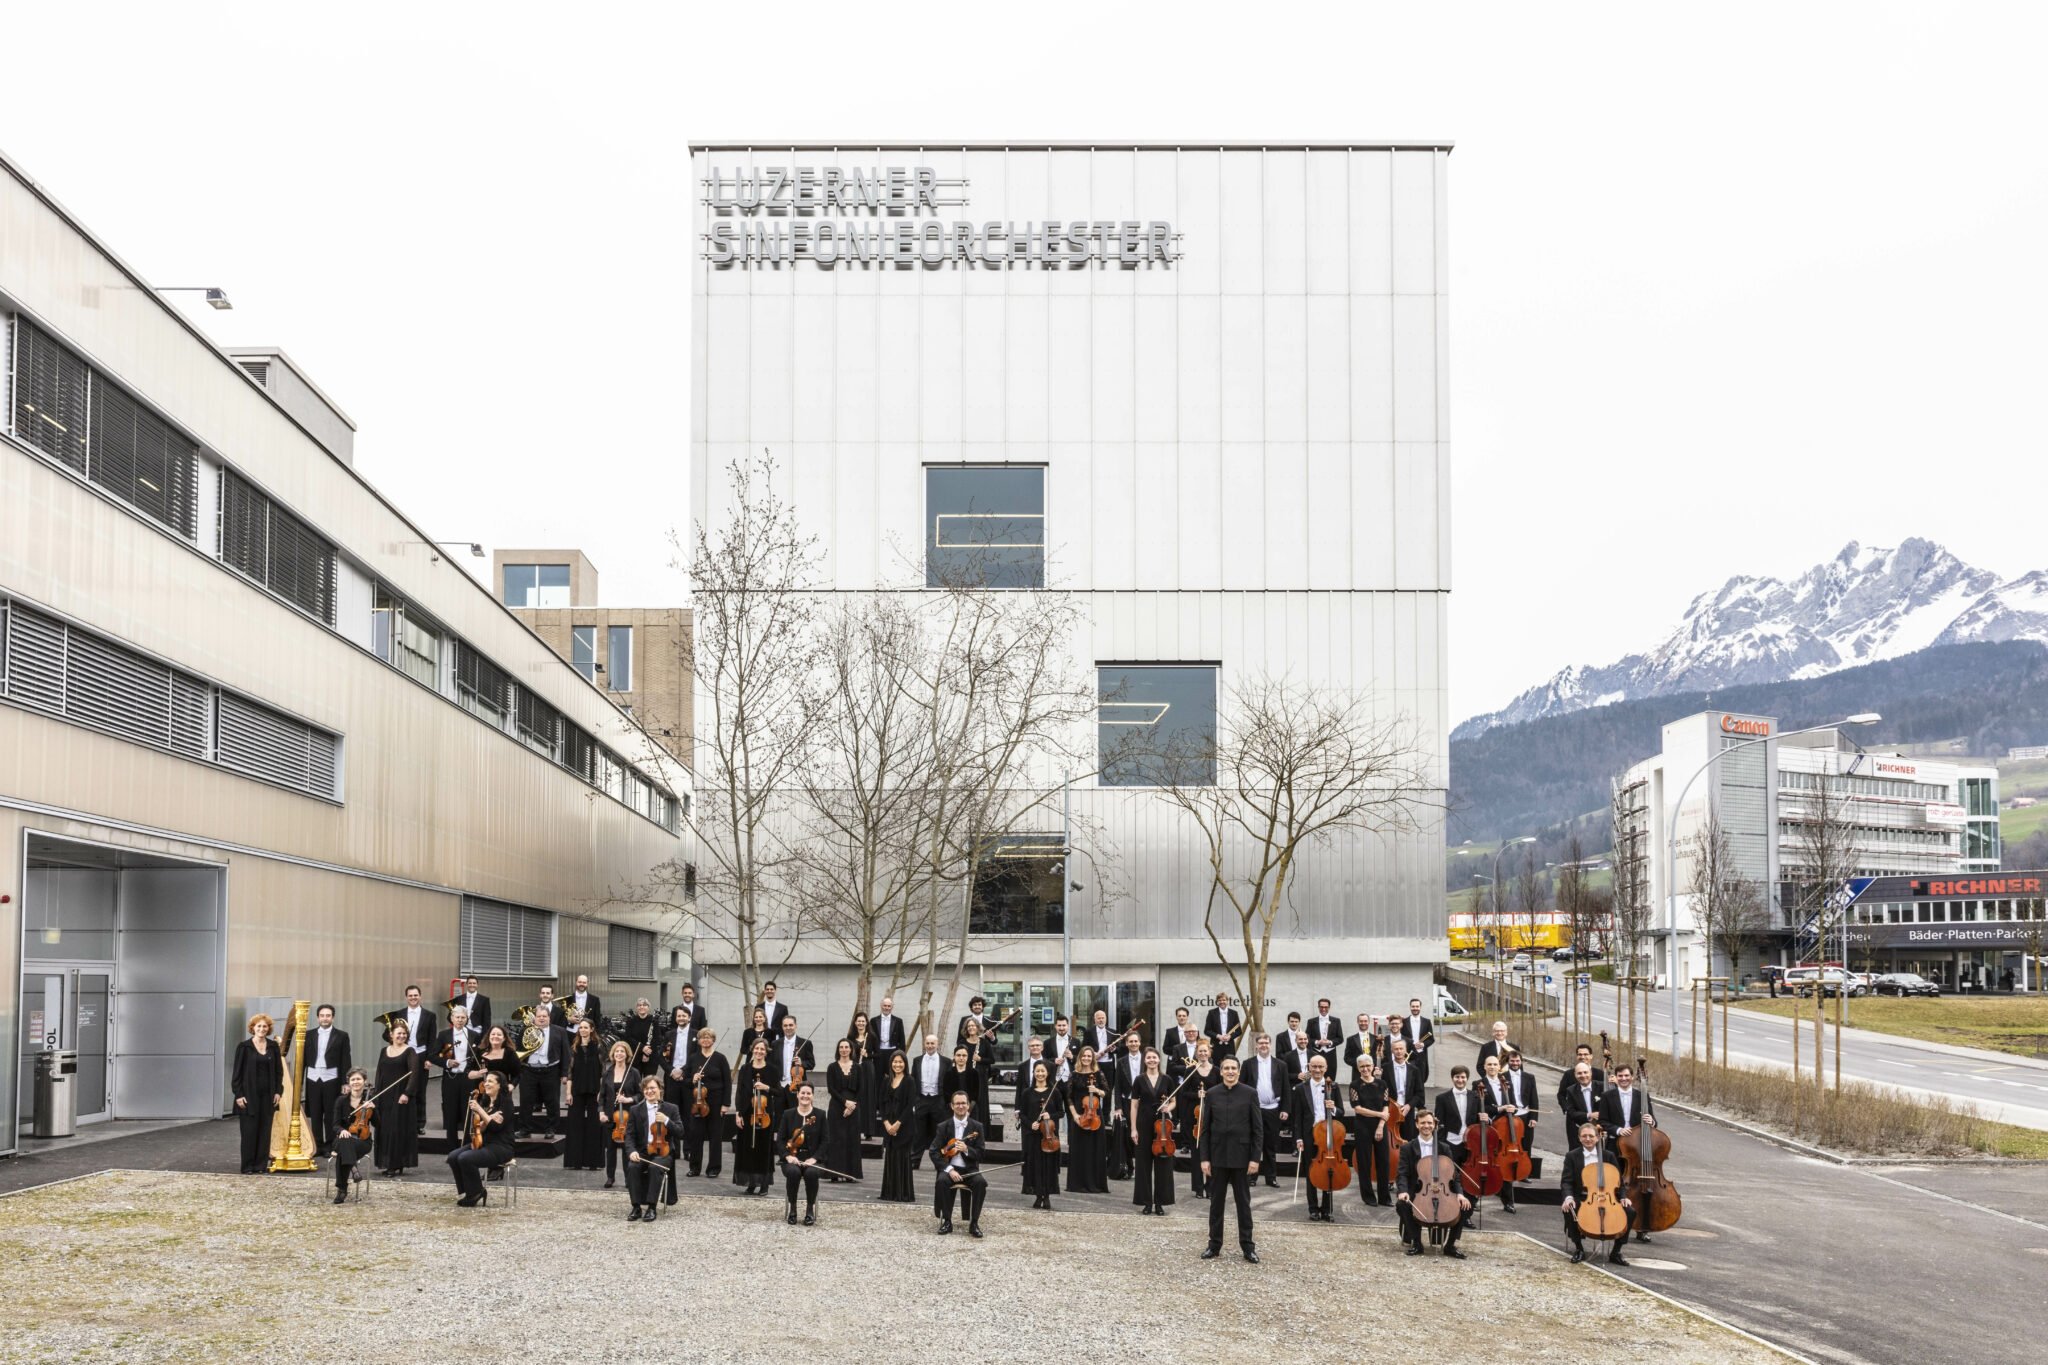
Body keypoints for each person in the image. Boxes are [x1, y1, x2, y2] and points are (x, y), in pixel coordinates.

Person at [1196, 1055, 1261, 1263]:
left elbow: (1257, 1130)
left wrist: (1255, 1158)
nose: (1230, 1071)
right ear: (1221, 1071)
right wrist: (1204, 1158)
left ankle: (1248, 1247)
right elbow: (1204, 1130)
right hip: (1217, 1158)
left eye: (1234, 1068)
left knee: (1244, 1204)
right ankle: (1214, 1245)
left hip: (1242, 1158)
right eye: (1226, 1068)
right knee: (1216, 1204)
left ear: (1239, 1071)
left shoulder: (1250, 1094)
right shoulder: (1212, 1094)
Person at [1396, 1109, 1469, 1257]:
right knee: (1402, 1204)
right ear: (1417, 1124)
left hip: (1442, 1191)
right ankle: (1417, 1243)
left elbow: (1454, 1176)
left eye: (1430, 1123)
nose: (1426, 1126)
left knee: (1465, 1206)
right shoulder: (1407, 1148)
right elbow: (1402, 1174)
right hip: (1417, 1190)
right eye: (1422, 1123)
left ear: (1434, 1125)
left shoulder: (1444, 1148)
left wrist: (1460, 1194)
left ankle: (1450, 1246)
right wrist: (1403, 1191)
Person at [1599, 1063, 1659, 1244]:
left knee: (1640, 1187)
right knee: (1614, 1185)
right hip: (1615, 1145)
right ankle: (1612, 1223)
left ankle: (1641, 1227)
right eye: (1620, 1076)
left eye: (1626, 1076)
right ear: (1616, 1078)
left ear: (1632, 1077)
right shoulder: (1607, 1096)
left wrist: (1652, 1121)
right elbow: (1602, 1121)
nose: (1624, 1079)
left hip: (1637, 1149)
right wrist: (1617, 1130)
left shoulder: (1642, 1095)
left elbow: (1653, 1122)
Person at [1560, 1120, 1632, 1265]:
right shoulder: (1572, 1156)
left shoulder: (1608, 1156)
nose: (1588, 1139)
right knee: (1570, 1209)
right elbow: (1566, 1181)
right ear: (1579, 1138)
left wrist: (1624, 1197)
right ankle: (1579, 1248)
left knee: (1630, 1211)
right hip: (1583, 1197)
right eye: (1584, 1136)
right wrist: (1568, 1198)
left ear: (1597, 1138)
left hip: (1608, 1196)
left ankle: (1616, 1252)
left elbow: (1619, 1182)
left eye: (1591, 1136)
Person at [448, 1071, 514, 1208]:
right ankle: (468, 1191)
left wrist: (480, 1111)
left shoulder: (506, 1102)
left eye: (490, 1081)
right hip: (484, 1142)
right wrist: (488, 1118)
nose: (486, 1084)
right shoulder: (485, 1101)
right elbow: (481, 1128)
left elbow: (496, 1128)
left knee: (465, 1158)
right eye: (486, 1081)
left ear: (499, 1085)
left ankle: (476, 1193)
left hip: (501, 1147)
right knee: (453, 1156)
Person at [231, 1013, 286, 1175]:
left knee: (264, 1131)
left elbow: (278, 1072)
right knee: (249, 1131)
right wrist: (238, 1094)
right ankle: (248, 1166)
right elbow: (237, 1074)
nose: (262, 1029)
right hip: (248, 1096)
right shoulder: (244, 1047)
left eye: (265, 1026)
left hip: (268, 1096)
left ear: (269, 1029)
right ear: (253, 1028)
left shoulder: (273, 1046)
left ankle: (260, 1165)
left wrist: (278, 1091)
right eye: (259, 1026)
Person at [1293, 1055, 1347, 1222]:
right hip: (1309, 1135)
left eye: (1320, 1067)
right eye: (1314, 1067)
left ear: (1326, 1068)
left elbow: (1341, 1112)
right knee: (1311, 1172)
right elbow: (1297, 1117)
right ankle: (1313, 1208)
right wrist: (1298, 1138)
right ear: (1309, 1067)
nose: (1317, 1070)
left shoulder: (1334, 1087)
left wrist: (1334, 1109)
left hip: (1328, 1135)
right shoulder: (1301, 1088)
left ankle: (1327, 1209)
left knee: (1329, 1171)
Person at [467, 1024, 521, 1182]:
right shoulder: (480, 1053)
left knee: (498, 1129)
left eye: (499, 1035)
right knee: (484, 1129)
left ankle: (497, 1166)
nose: (495, 1037)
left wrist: (511, 1085)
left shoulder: (509, 1053)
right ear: (488, 1037)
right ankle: (487, 1162)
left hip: (503, 1096)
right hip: (484, 1094)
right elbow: (468, 1073)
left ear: (504, 1038)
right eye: (493, 1035)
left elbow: (518, 1073)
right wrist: (478, 1073)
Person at [929, 1091, 987, 1237]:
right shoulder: (943, 1126)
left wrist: (967, 1150)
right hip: (950, 1169)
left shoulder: (977, 1127)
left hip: (969, 1169)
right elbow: (934, 1152)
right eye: (957, 1103)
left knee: (981, 1183)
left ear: (968, 1106)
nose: (960, 1106)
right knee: (942, 1181)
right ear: (952, 1106)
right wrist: (949, 1169)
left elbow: (981, 1153)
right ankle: (947, 1221)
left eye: (963, 1103)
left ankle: (974, 1223)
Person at [623, 1074, 680, 1223]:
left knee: (655, 1168)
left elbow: (681, 1131)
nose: (649, 1091)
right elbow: (629, 1135)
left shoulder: (671, 1108)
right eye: (646, 1089)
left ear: (660, 1089)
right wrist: (632, 1151)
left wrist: (667, 1121)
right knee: (632, 1166)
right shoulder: (635, 1110)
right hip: (643, 1151)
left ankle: (651, 1207)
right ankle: (636, 1207)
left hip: (664, 1151)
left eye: (653, 1088)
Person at [1128, 1048, 1177, 1216]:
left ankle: (1160, 1203)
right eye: (1148, 1057)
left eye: (1154, 1057)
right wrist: (1133, 1129)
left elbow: (1174, 1101)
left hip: (1162, 1126)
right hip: (1143, 1124)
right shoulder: (1139, 1080)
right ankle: (1146, 1202)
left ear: (1159, 1060)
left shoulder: (1167, 1079)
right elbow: (1134, 1105)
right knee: (1143, 1164)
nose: (1151, 1060)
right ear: (1145, 1060)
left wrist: (1167, 1107)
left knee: (1163, 1164)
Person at [372, 1019, 422, 1177]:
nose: (401, 1036)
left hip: (401, 1096)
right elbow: (379, 1073)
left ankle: (394, 1164)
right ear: (391, 1035)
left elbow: (414, 1075)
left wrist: (407, 1093)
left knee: (396, 1130)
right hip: (385, 1095)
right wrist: (376, 1095)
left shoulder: (410, 1051)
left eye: (404, 1033)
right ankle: (388, 1162)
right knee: (384, 1129)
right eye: (398, 1033)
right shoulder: (383, 1051)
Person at [681, 1028, 731, 1179]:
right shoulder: (693, 1058)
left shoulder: (720, 1058)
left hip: (716, 1102)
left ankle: (714, 1168)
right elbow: (685, 1081)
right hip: (697, 1102)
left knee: (715, 1136)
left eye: (709, 1037)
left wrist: (726, 1104)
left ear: (713, 1040)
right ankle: (694, 1167)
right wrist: (693, 1079)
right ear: (699, 1040)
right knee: (696, 1135)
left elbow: (727, 1082)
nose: (706, 1040)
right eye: (703, 1037)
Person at [733, 1038, 781, 1195]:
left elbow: (779, 1092)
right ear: (752, 1050)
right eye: (756, 1049)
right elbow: (740, 1092)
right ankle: (751, 1183)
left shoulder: (772, 1070)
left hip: (765, 1115)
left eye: (762, 1049)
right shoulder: (745, 1069)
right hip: (747, 1113)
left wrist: (766, 1087)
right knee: (748, 1148)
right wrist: (738, 1113)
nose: (759, 1052)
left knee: (763, 1148)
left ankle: (764, 1184)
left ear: (766, 1052)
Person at [302, 1005, 350, 1158]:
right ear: (317, 1017)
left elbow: (345, 1059)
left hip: (331, 1078)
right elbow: (302, 1059)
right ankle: (317, 1145)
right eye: (322, 1015)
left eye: (328, 1015)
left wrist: (345, 1082)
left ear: (333, 1017)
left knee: (330, 1113)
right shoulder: (308, 1035)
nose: (325, 1018)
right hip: (312, 1078)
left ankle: (329, 1145)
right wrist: (298, 1081)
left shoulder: (342, 1035)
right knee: (315, 1113)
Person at [1240, 1033, 1288, 1185]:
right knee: (1254, 1143)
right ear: (1256, 1045)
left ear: (1270, 1044)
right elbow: (1242, 1087)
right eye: (1260, 1043)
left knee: (1270, 1144)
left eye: (1266, 1043)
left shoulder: (1281, 1065)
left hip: (1273, 1109)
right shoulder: (1248, 1064)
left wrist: (1285, 1109)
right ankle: (1251, 1177)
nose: (1263, 1046)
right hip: (1254, 1109)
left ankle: (1271, 1177)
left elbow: (1286, 1088)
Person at [778, 1082, 826, 1224]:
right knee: (793, 1173)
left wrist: (814, 1158)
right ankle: (793, 1208)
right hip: (792, 1158)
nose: (805, 1096)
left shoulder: (820, 1115)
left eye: (808, 1093)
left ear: (812, 1096)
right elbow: (780, 1140)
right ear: (797, 1095)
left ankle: (810, 1209)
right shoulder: (788, 1114)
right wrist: (787, 1156)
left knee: (811, 1173)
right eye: (802, 1093)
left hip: (812, 1159)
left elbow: (825, 1141)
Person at [1065, 1046, 1111, 1193]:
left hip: (1095, 1117)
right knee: (1079, 1149)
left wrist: (1096, 1090)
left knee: (1095, 1149)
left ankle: (1096, 1184)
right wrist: (1075, 1115)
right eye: (1084, 1056)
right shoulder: (1074, 1074)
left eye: (1089, 1056)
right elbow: (1069, 1097)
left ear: (1093, 1058)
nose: (1086, 1058)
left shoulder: (1098, 1074)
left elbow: (1107, 1092)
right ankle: (1077, 1184)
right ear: (1080, 1057)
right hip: (1079, 1115)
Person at [520, 1004, 568, 1139]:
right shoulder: (525, 1030)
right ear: (534, 1018)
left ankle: (551, 1129)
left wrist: (565, 1074)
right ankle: (525, 1129)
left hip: (550, 1070)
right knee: (526, 1101)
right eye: (539, 1016)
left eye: (544, 1016)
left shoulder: (560, 1031)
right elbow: (518, 1052)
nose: (541, 1019)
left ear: (549, 1017)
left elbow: (566, 1053)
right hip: (529, 1071)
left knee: (552, 1101)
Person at [599, 1039, 642, 1190]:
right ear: (613, 1054)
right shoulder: (607, 1072)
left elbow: (641, 1095)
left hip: (629, 1116)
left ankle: (628, 1178)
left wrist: (628, 1099)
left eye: (622, 1051)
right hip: (610, 1116)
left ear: (627, 1054)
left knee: (627, 1150)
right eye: (616, 1051)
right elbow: (602, 1096)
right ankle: (610, 1177)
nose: (619, 1054)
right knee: (610, 1150)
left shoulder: (634, 1072)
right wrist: (601, 1112)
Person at [1349, 1060, 1393, 1206]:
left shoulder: (1382, 1084)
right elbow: (1358, 1108)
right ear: (1358, 1068)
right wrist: (1379, 1114)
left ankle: (1384, 1197)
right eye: (1362, 1066)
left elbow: (1386, 1106)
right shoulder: (1355, 1085)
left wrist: (1381, 1125)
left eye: (1368, 1065)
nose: (1365, 1069)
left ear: (1373, 1066)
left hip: (1380, 1126)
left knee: (1384, 1162)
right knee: (1364, 1162)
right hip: (1362, 1126)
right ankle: (1368, 1197)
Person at [1018, 1061, 1061, 1208]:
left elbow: (1061, 1112)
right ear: (1034, 1073)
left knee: (1048, 1166)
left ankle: (1047, 1196)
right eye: (1037, 1071)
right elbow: (1022, 1114)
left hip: (1049, 1135)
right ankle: (1037, 1195)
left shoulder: (1054, 1092)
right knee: (1034, 1165)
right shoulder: (1027, 1093)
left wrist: (1051, 1115)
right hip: (1033, 1135)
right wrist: (1031, 1124)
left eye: (1043, 1071)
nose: (1040, 1074)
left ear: (1047, 1073)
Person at [823, 1037, 867, 1182]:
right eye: (841, 1047)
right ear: (838, 1050)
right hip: (836, 1107)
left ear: (851, 1049)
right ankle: (834, 1173)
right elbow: (831, 1089)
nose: (844, 1049)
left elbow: (861, 1089)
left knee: (851, 1139)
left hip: (854, 1108)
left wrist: (852, 1105)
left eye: (846, 1047)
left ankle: (851, 1174)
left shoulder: (858, 1067)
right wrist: (845, 1103)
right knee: (836, 1140)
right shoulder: (832, 1067)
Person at [434, 1005, 480, 1144]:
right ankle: (452, 1146)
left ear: (467, 1019)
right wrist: (447, 1062)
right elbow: (432, 1055)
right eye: (457, 1017)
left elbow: (479, 1056)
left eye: (463, 1018)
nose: (460, 1020)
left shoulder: (473, 1035)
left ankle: (466, 1144)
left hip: (467, 1078)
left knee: (467, 1111)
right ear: (452, 1019)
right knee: (450, 1112)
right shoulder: (444, 1035)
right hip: (450, 1078)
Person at [875, 1051, 917, 1203]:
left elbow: (910, 1105)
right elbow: (880, 1103)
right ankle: (889, 1192)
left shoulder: (909, 1081)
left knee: (902, 1157)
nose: (897, 1065)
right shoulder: (886, 1081)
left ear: (905, 1064)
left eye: (900, 1062)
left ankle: (902, 1193)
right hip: (888, 1125)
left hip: (904, 1126)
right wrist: (886, 1123)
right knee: (890, 1156)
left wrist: (897, 1124)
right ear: (891, 1063)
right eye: (895, 1062)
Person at [328, 1067, 374, 1203]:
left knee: (343, 1150)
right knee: (344, 1141)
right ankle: (353, 1169)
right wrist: (341, 1130)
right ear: (349, 1082)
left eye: (359, 1079)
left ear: (364, 1081)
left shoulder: (369, 1100)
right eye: (353, 1079)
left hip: (362, 1141)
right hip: (342, 1137)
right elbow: (335, 1124)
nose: (356, 1082)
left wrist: (374, 1109)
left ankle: (342, 1190)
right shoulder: (341, 1101)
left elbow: (378, 1123)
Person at [1179, 1041, 1218, 1197]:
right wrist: (1197, 1095)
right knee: (1196, 1153)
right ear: (1196, 1053)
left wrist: (1209, 1095)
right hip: (1194, 1117)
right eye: (1200, 1051)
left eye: (1205, 1051)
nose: (1203, 1054)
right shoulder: (1190, 1069)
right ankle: (1198, 1188)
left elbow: (1220, 1091)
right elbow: (1183, 1093)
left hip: (1212, 1115)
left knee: (1210, 1153)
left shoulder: (1216, 1071)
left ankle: (1210, 1187)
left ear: (1209, 1053)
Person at [394, 986, 433, 1134]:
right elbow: (390, 1035)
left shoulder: (429, 1015)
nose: (413, 998)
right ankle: (403, 1121)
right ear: (406, 997)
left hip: (421, 1054)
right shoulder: (399, 1014)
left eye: (416, 995)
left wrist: (429, 1059)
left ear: (420, 996)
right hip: (403, 1054)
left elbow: (432, 1039)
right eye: (410, 995)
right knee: (403, 1087)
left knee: (420, 1090)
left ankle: (419, 1124)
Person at [1433, 1064, 1483, 1179]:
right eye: (1457, 1077)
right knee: (1451, 1174)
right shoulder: (1442, 1098)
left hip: (1470, 1142)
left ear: (1467, 1078)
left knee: (1469, 1173)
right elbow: (1439, 1123)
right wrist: (1441, 1144)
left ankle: (1470, 1196)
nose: (1460, 1080)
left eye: (1463, 1077)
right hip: (1451, 1141)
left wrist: (1485, 1119)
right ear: (1452, 1078)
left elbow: (1479, 1120)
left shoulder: (1476, 1096)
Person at [909, 1034, 948, 1163]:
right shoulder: (917, 1060)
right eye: (928, 1043)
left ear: (937, 1045)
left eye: (932, 1043)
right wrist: (915, 1100)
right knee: (918, 1132)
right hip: (922, 1099)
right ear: (924, 1044)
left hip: (938, 1100)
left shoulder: (946, 1061)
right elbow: (913, 1081)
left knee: (940, 1132)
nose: (930, 1046)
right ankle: (915, 1159)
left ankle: (941, 1160)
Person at [1382, 1038, 1422, 1142]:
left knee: (1407, 1140)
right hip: (1390, 1110)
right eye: (1396, 1049)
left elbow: (1419, 1093)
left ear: (1405, 1050)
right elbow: (1382, 1092)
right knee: (1390, 1140)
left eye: (1401, 1048)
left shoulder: (1414, 1070)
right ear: (1392, 1050)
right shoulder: (1385, 1069)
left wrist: (1409, 1106)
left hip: (1407, 1110)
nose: (1399, 1051)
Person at [951, 1040, 989, 1130]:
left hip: (971, 1111)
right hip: (952, 1111)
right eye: (958, 1055)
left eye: (964, 1055)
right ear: (954, 1057)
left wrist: (967, 1110)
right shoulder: (949, 1073)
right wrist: (955, 1110)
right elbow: (947, 1094)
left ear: (968, 1057)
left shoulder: (974, 1073)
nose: (961, 1058)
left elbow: (976, 1095)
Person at [1562, 1061, 1604, 1137]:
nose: (1583, 1075)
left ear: (1590, 1073)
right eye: (1579, 1073)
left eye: (1585, 1072)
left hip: (1602, 1129)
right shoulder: (1571, 1090)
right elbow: (1571, 1113)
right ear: (1575, 1075)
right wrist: (1589, 1115)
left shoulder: (1602, 1086)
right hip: (1583, 1130)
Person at [621, 998, 660, 1081]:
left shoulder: (654, 1021)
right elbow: (628, 1038)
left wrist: (647, 1054)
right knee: (635, 1083)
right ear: (636, 1008)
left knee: (649, 1082)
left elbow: (657, 1039)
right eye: (639, 1005)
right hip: (635, 1056)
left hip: (651, 1057)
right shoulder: (631, 1021)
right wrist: (643, 1048)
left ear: (648, 1007)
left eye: (644, 1005)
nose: (642, 1007)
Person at [1399, 997, 1435, 1083]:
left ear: (1420, 1007)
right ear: (1410, 1007)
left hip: (1421, 1055)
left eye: (1417, 1006)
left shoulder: (1427, 1022)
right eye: (1413, 1006)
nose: (1415, 1008)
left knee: (1421, 1079)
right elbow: (1401, 1038)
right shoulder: (1404, 1021)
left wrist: (1423, 1044)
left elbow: (1431, 1039)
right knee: (1408, 1080)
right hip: (1408, 1055)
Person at [1304, 998, 1343, 1069]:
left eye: (1326, 1007)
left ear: (1329, 1007)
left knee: (1330, 1078)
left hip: (1331, 1054)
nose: (1323, 1009)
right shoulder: (1311, 1021)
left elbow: (1340, 1038)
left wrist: (1330, 1042)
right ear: (1318, 1007)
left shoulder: (1336, 1021)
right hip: (1315, 1053)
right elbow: (1307, 1038)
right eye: (1321, 1007)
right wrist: (1317, 1042)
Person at [869, 996, 908, 1066]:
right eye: (885, 1005)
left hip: (892, 1052)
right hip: (878, 1052)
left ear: (892, 1007)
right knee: (878, 1075)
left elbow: (902, 1039)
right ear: (881, 1006)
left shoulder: (898, 1021)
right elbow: (870, 1038)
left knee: (892, 1074)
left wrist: (901, 1054)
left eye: (889, 1006)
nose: (886, 1008)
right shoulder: (873, 1021)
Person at [1203, 991, 1242, 1059]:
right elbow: (1207, 1030)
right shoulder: (1211, 1013)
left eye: (1224, 1000)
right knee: (1216, 1067)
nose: (1222, 1002)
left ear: (1227, 1001)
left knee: (1230, 1063)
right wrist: (1218, 1036)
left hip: (1229, 1046)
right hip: (1215, 1046)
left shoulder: (1234, 1013)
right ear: (1217, 1002)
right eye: (1219, 1000)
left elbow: (1239, 1031)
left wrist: (1230, 1036)